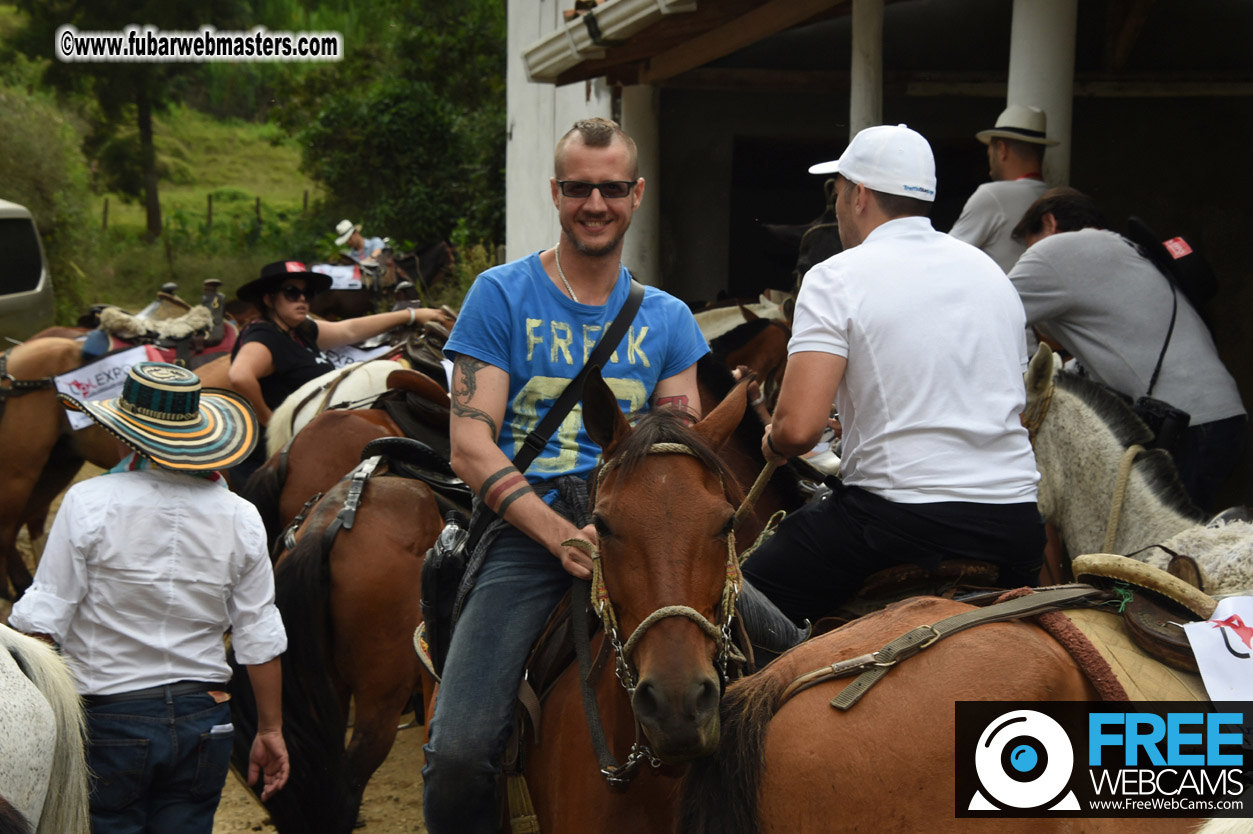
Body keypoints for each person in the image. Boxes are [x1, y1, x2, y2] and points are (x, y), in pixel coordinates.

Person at [423, 117, 801, 834]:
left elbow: (680, 448)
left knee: (800, 661)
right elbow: (470, 446)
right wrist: (559, 534)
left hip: (649, 531)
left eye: (609, 189)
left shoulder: (665, 318)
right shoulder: (499, 296)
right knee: (459, 752)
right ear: (556, 193)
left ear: (635, 193)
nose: (593, 203)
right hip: (526, 527)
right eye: (577, 188)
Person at [742, 124, 1045, 624]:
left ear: (858, 195)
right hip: (1014, 524)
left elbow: (798, 431)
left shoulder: (835, 277)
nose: (837, 203)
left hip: (898, 522)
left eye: (837, 190)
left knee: (739, 607)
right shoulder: (990, 272)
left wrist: (774, 442)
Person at [8, 361, 290, 834]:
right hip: (206, 719)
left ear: (125, 435)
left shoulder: (90, 502)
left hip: (109, 719)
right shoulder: (241, 515)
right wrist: (270, 730)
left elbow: (42, 623)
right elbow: (258, 635)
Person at [1007, 187, 1246, 511]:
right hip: (1220, 417)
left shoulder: (1056, 250)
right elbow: (1112, 352)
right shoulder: (1124, 248)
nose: (1028, 256)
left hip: (1186, 426)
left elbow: (989, 313)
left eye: (1028, 245)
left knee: (1162, 554)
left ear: (1049, 223)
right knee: (1178, 549)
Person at [227, 260, 453, 481]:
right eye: (291, 292)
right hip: (272, 460)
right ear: (269, 299)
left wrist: (411, 315)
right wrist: (270, 423)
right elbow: (240, 376)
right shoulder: (264, 335)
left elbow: (349, 329)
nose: (303, 299)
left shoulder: (300, 331)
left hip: (307, 446)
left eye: (308, 294)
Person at [949, 104, 1057, 273]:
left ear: (1002, 149)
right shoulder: (1057, 198)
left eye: (989, 152)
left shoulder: (993, 195)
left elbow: (948, 256)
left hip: (1001, 299)